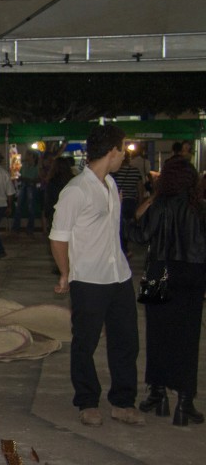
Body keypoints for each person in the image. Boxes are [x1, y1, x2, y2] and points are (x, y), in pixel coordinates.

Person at [50, 123, 144, 428]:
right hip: (89, 278)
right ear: (114, 151)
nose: (123, 156)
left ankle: (122, 402)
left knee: (126, 340)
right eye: (123, 149)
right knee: (85, 342)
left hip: (118, 275)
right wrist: (66, 273)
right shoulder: (75, 191)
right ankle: (87, 401)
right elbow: (58, 237)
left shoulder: (111, 185)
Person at [132, 156, 206, 426]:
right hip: (192, 273)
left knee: (157, 334)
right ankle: (185, 402)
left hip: (158, 272)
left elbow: (139, 236)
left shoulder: (160, 205)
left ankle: (157, 394)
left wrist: (140, 212)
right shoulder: (200, 208)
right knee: (187, 338)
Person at [112, 151, 146, 256]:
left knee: (119, 225)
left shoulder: (115, 172)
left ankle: (122, 248)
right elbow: (140, 188)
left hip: (119, 201)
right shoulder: (135, 171)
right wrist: (140, 202)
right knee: (128, 224)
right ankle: (125, 247)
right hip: (131, 201)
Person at [11, 149, 40, 235]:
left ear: (32, 157)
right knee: (19, 207)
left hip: (30, 187)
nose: (26, 157)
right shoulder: (24, 166)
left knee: (30, 208)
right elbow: (18, 175)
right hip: (24, 186)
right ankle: (16, 228)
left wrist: (27, 179)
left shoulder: (36, 167)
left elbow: (37, 179)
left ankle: (29, 228)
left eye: (28, 155)